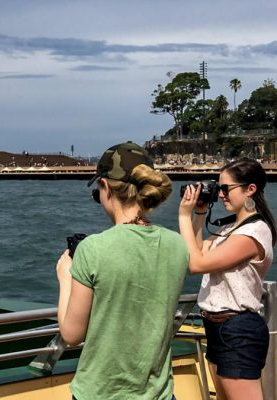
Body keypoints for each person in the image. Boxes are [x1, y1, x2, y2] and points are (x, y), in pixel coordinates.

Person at [56, 142, 189, 400]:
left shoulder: (93, 248)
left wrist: (65, 278)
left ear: (105, 187)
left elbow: (72, 335)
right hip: (159, 394)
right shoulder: (178, 245)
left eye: (97, 193)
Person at [179, 157, 276, 400]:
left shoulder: (254, 232)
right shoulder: (227, 230)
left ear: (250, 189)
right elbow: (196, 251)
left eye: (226, 188)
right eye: (218, 188)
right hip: (215, 326)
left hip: (238, 330)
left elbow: (197, 264)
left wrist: (183, 216)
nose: (221, 194)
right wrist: (199, 213)